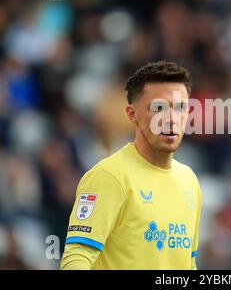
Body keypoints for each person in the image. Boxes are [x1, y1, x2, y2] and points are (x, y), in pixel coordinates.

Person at [60, 61, 202, 269]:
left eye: (180, 108)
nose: (171, 119)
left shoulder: (189, 181)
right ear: (132, 114)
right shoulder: (109, 176)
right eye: (159, 108)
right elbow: (76, 259)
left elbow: (188, 265)